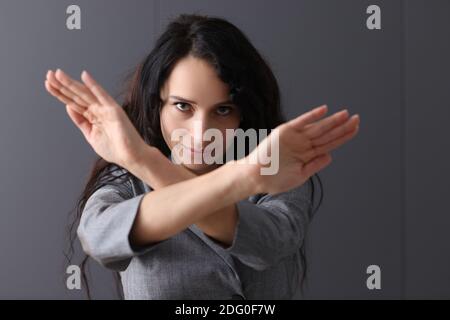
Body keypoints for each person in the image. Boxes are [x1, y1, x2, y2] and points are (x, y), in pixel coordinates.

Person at [44, 14, 360, 300]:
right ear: (158, 105)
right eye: (183, 107)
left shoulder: (277, 168)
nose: (200, 133)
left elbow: (268, 245)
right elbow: (99, 238)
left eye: (223, 110)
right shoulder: (127, 181)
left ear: (243, 114)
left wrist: (145, 160)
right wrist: (240, 177)